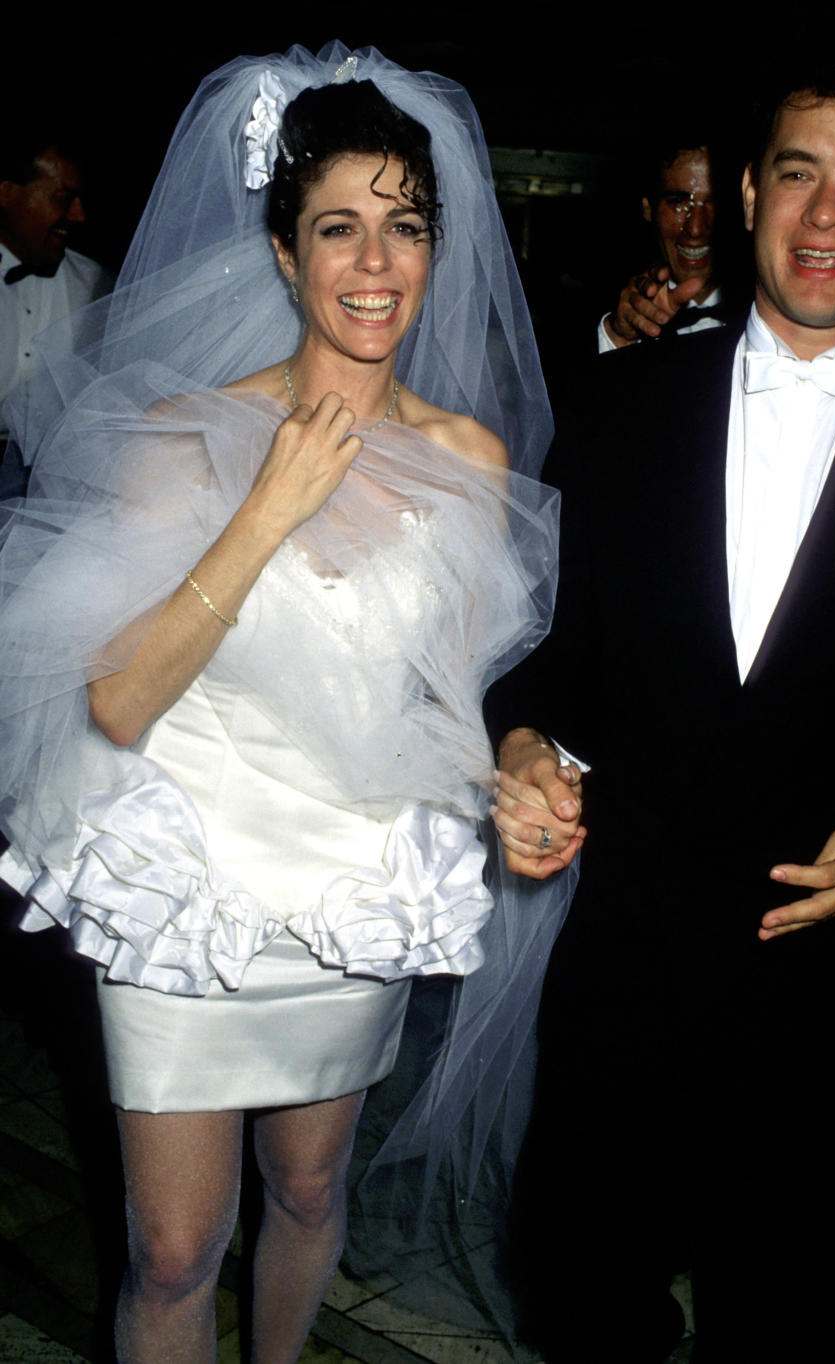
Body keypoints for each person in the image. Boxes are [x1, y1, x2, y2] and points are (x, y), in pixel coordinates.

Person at [0, 44, 563, 1362]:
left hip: (353, 883)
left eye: (405, 228)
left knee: (311, 1190)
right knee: (175, 1250)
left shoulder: (467, 460)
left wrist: (515, 780)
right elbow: (124, 702)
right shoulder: (183, 436)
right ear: (280, 250)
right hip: (191, 884)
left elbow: (448, 698)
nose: (377, 266)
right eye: (340, 229)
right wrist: (266, 510)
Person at [492, 62, 835, 1363]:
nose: (825, 214)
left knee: (777, 1316)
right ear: (751, 193)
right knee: (581, 1297)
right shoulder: (624, 405)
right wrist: (525, 742)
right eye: (798, 171)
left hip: (833, 1001)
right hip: (626, 970)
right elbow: (544, 649)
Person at [0, 130, 111, 495]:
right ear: (7, 193)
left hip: (52, 487)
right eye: (63, 199)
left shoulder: (96, 285)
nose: (78, 215)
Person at [599, 139, 726, 351]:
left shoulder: (774, 314)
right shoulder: (611, 316)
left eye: (714, 202)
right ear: (648, 209)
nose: (695, 228)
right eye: (678, 201)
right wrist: (619, 338)